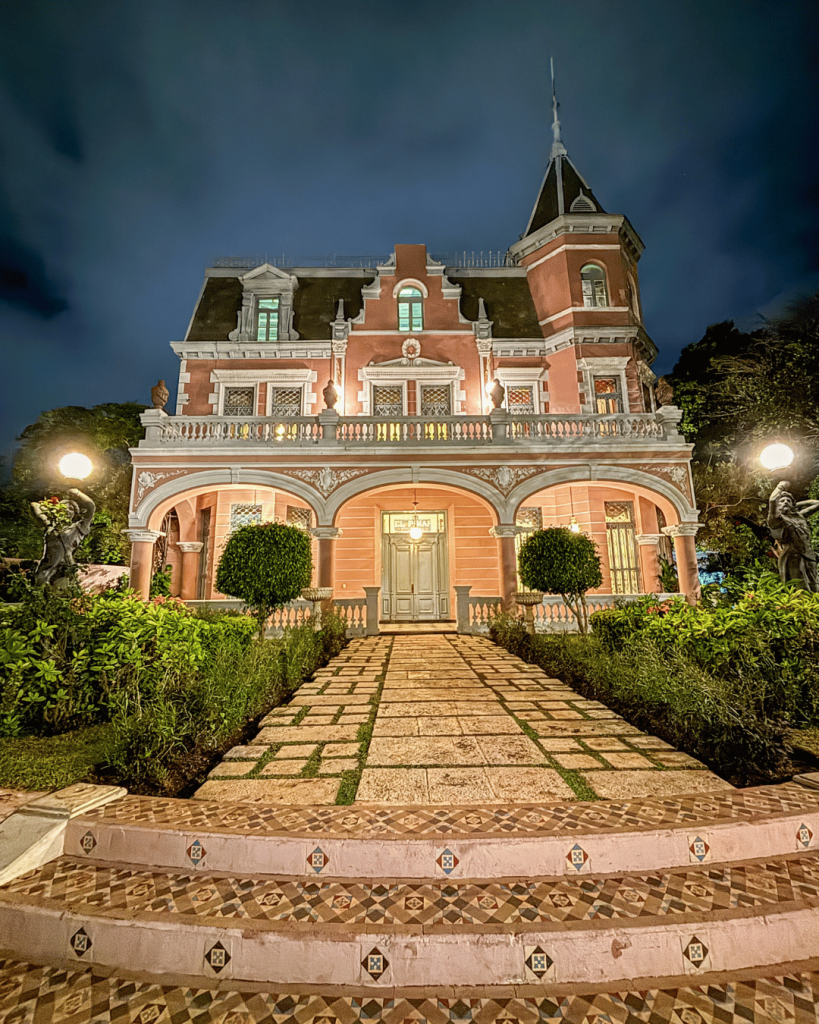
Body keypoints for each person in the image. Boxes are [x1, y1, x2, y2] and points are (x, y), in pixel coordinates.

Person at [31, 488, 96, 586]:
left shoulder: (78, 528)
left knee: (62, 593)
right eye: (64, 507)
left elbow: (91, 506)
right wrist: (48, 523)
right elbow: (34, 505)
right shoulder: (52, 527)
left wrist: (78, 493)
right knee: (38, 593)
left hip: (64, 570)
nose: (67, 510)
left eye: (71, 509)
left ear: (75, 513)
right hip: (45, 571)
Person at [767, 480, 819, 591]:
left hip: (808, 556)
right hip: (792, 557)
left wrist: (796, 504)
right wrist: (780, 486)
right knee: (800, 588)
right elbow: (772, 500)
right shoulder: (776, 520)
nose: (785, 502)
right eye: (782, 501)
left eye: (788, 501)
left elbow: (817, 503)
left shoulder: (799, 517)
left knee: (814, 586)